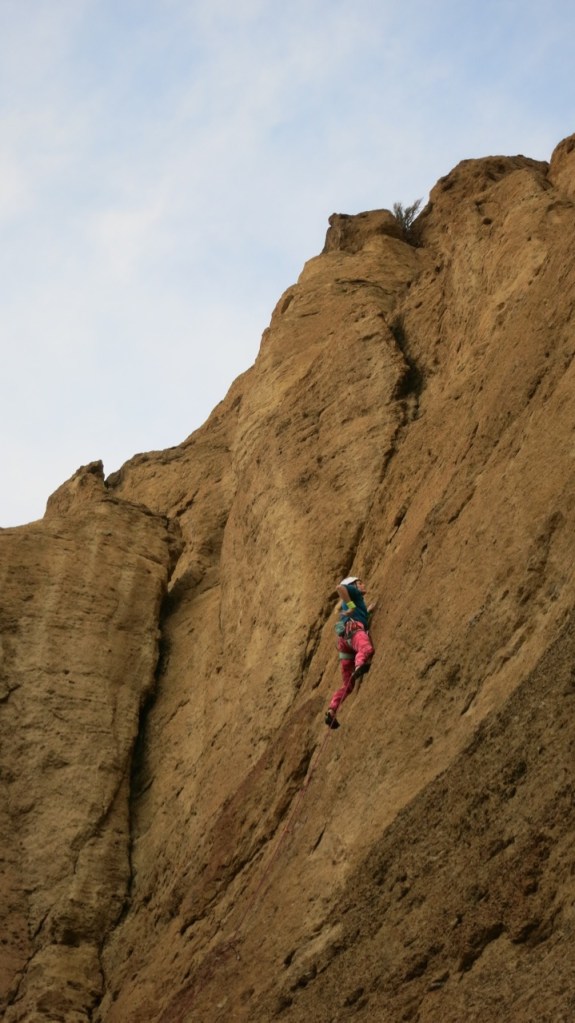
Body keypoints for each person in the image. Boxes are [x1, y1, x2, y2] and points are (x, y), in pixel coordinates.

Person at [325, 575, 375, 729]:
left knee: (348, 684)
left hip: (344, 643)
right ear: (353, 585)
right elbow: (340, 587)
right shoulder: (353, 593)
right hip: (353, 633)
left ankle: (332, 709)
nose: (363, 585)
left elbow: (360, 612)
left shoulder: (358, 603)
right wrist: (352, 605)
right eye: (360, 583)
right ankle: (360, 665)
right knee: (366, 649)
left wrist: (366, 611)